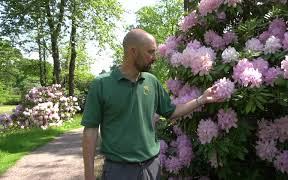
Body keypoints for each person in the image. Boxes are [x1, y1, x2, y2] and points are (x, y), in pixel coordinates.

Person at [81, 29, 220, 180]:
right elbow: (90, 131)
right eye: (150, 52)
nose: (154, 58)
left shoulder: (151, 81)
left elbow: (171, 112)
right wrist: (89, 176)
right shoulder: (101, 84)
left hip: (152, 167)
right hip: (119, 171)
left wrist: (201, 99)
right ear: (133, 51)